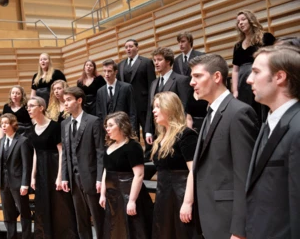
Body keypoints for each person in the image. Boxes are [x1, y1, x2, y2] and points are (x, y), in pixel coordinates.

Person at [189, 54, 259, 239]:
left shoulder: (238, 113)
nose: (191, 82)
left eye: (197, 76)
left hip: (228, 222)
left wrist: (239, 230)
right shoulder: (210, 112)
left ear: (217, 77)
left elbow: (245, 176)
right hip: (209, 217)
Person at [245, 45, 300, 239]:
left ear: (279, 77)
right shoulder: (268, 123)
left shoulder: (297, 129)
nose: (248, 79)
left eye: (256, 72)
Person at [150, 91, 201, 239]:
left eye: (158, 106)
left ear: (169, 108)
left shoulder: (186, 134)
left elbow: (193, 171)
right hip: (163, 195)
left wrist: (187, 202)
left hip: (181, 194)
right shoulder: (160, 138)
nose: (154, 110)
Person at [26, 96, 78, 239]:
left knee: (60, 204)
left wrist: (60, 176)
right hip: (41, 171)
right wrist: (33, 175)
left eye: (31, 106)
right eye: (27, 107)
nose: (28, 109)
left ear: (41, 108)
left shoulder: (55, 126)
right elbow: (36, 153)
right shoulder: (32, 129)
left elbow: (61, 151)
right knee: (43, 204)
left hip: (54, 167)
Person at [99, 111, 153, 239]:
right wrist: (102, 194)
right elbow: (106, 171)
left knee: (133, 230)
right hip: (112, 197)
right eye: (106, 126)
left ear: (122, 126)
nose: (107, 128)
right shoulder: (109, 146)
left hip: (128, 194)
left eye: (111, 125)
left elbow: (139, 175)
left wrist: (132, 200)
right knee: (114, 229)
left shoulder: (133, 147)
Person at [61, 87, 105, 239]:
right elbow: (65, 153)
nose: (65, 103)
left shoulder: (93, 121)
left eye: (68, 100)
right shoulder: (64, 124)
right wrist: (64, 177)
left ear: (79, 100)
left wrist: (100, 178)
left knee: (98, 218)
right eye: (64, 100)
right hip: (73, 179)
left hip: (91, 177)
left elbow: (100, 152)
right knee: (81, 220)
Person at [0, 113, 33, 239]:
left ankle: (26, 236)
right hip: (4, 183)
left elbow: (27, 165)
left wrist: (25, 184)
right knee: (8, 213)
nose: (3, 126)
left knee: (24, 212)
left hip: (18, 183)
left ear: (13, 124)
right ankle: (11, 236)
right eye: (2, 124)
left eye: (5, 123)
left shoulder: (22, 141)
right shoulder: (2, 141)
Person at [231, 10, 275, 122]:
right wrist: (235, 90)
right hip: (243, 85)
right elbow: (235, 70)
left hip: (260, 79)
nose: (240, 23)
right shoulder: (237, 46)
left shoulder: (265, 37)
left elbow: (273, 59)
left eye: (243, 19)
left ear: (251, 20)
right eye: (238, 21)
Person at [116, 39, 156, 158]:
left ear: (137, 48)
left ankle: (149, 155)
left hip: (143, 103)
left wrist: (152, 101)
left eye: (130, 46)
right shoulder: (121, 65)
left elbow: (152, 84)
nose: (128, 49)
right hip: (127, 105)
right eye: (126, 47)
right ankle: (135, 155)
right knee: (131, 131)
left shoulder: (146, 62)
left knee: (146, 130)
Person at [145, 47, 192, 146]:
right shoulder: (153, 83)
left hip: (174, 130)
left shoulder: (181, 80)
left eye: (159, 60)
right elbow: (150, 108)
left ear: (168, 61)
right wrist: (148, 130)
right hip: (158, 131)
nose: (156, 63)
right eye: (154, 60)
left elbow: (184, 106)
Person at [173, 32, 208, 132]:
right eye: (179, 42)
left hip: (198, 95)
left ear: (190, 42)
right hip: (183, 97)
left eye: (183, 41)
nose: (180, 44)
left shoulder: (200, 56)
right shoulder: (176, 60)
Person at [96, 59, 137, 131]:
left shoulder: (126, 87)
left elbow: (132, 111)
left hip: (124, 129)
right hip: (108, 131)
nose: (106, 74)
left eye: (109, 71)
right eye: (104, 71)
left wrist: (132, 130)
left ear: (116, 72)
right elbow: (99, 114)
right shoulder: (100, 91)